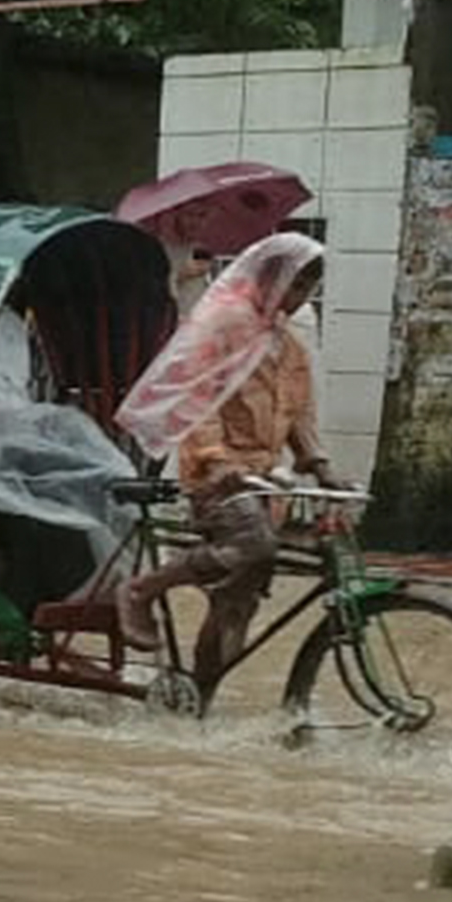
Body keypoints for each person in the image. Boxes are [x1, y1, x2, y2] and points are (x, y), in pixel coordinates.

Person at [112, 234, 335, 698]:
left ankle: (201, 702)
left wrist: (319, 465)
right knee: (255, 544)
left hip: (263, 483)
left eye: (307, 291)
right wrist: (215, 462)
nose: (299, 300)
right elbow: (198, 396)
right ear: (273, 278)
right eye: (295, 287)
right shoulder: (225, 322)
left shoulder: (287, 344)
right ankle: (141, 590)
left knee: (237, 604)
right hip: (216, 479)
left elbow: (298, 414)